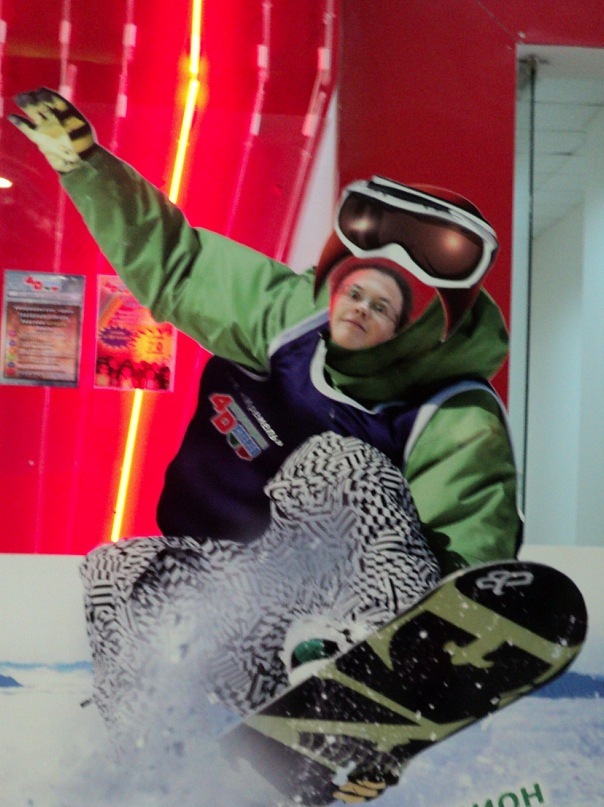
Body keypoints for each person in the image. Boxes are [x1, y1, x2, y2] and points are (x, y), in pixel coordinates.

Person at [11, 89, 522, 803]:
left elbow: (467, 563)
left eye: (383, 307)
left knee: (336, 461)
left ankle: (362, 700)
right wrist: (88, 166)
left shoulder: (455, 416)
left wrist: (434, 681)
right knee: (116, 569)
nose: (359, 310)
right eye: (354, 292)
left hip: (373, 622)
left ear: (424, 325)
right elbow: (178, 264)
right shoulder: (286, 317)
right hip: (251, 606)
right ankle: (156, 764)